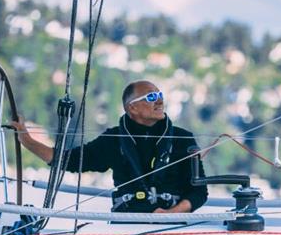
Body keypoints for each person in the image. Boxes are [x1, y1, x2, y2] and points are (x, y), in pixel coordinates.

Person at [11, 80, 208, 213]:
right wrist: (26, 140)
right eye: (150, 97)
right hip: (126, 224)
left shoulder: (184, 138)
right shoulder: (113, 140)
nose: (159, 101)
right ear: (133, 107)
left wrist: (172, 213)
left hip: (173, 228)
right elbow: (70, 161)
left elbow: (199, 192)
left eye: (160, 95)